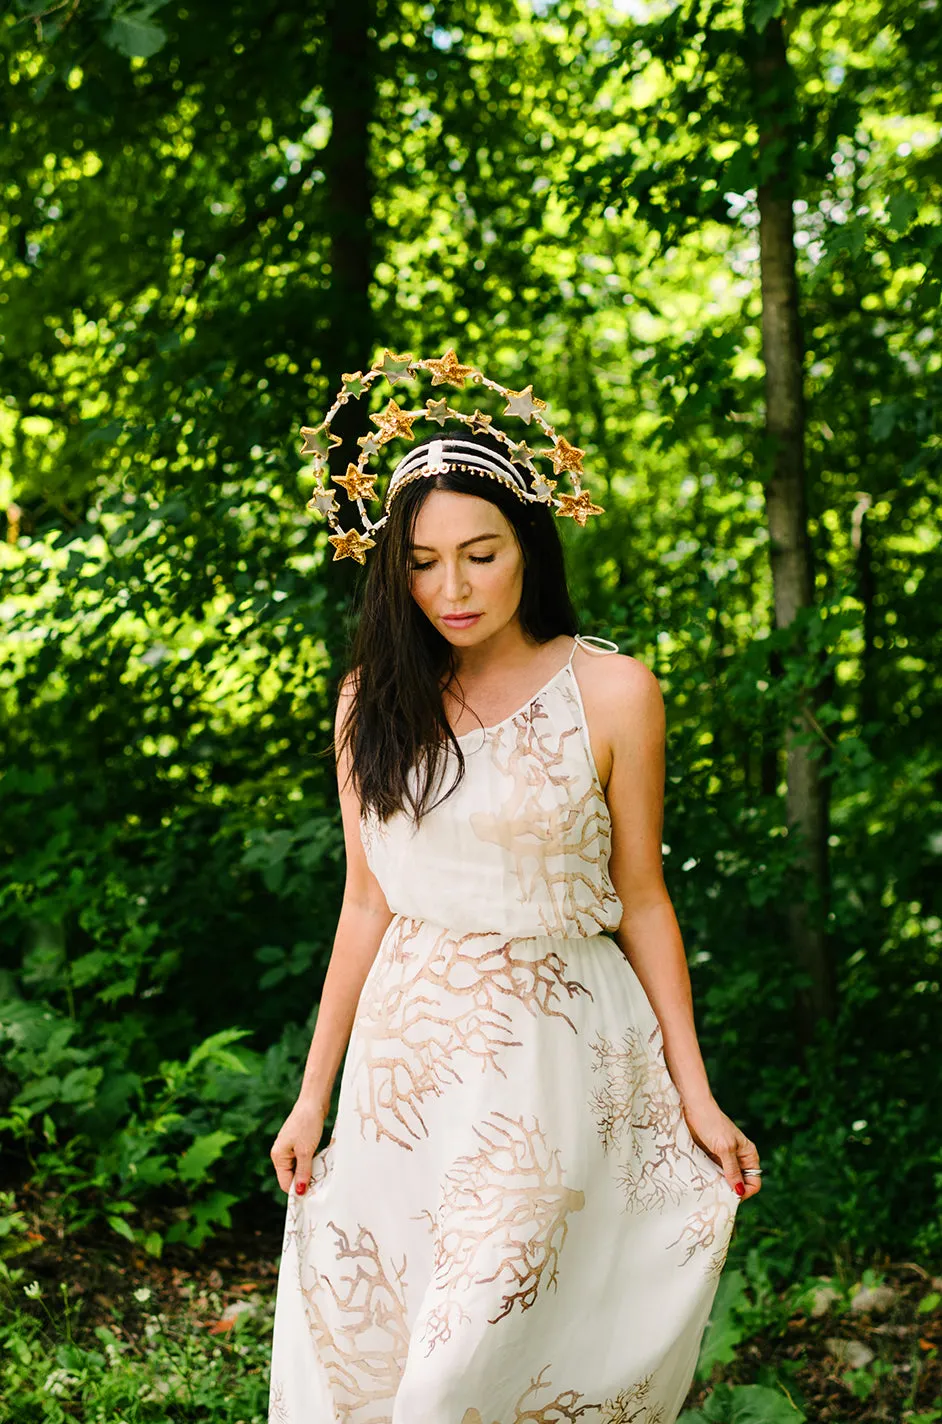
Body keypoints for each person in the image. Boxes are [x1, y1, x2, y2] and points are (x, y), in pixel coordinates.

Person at [268, 370, 761, 1424]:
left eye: (480, 553)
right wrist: (313, 1097)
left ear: (529, 544)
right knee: (389, 1350)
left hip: (554, 1062)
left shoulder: (613, 691)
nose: (454, 585)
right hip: (406, 1066)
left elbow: (642, 898)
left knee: (470, 1365)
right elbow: (366, 904)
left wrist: (696, 1091)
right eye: (424, 563)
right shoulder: (371, 702)